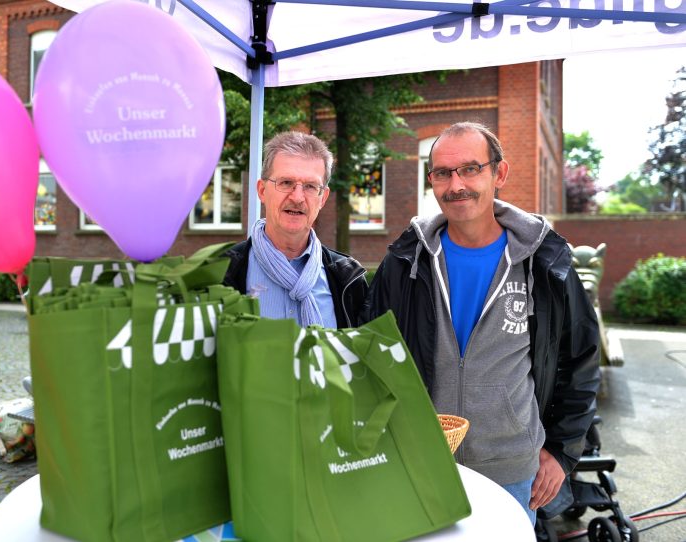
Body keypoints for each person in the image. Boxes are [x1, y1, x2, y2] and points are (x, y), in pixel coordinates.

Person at [364, 122, 601, 524]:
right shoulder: (405, 262)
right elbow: (369, 353)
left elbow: (580, 359)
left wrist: (562, 451)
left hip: (510, 470)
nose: (455, 184)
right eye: (442, 172)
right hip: (420, 463)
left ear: (499, 173)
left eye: (470, 169)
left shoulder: (545, 262)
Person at [223, 131, 367, 328]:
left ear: (323, 198)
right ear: (262, 191)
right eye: (286, 183)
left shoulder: (348, 280)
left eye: (309, 186)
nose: (297, 197)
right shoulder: (223, 272)